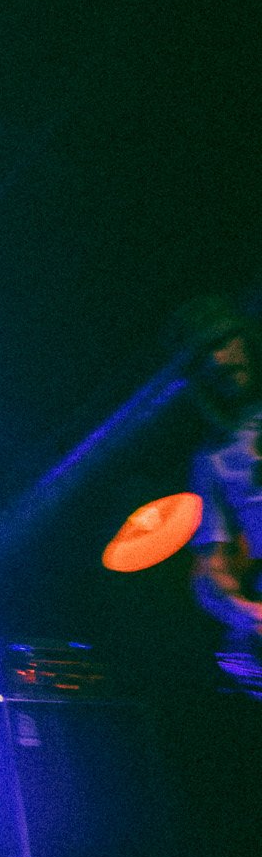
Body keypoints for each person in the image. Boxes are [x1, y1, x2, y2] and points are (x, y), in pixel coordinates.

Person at [183, 297, 262, 695]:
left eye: (224, 341)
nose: (217, 360)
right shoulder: (212, 457)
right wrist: (246, 614)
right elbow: (209, 569)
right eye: (203, 357)